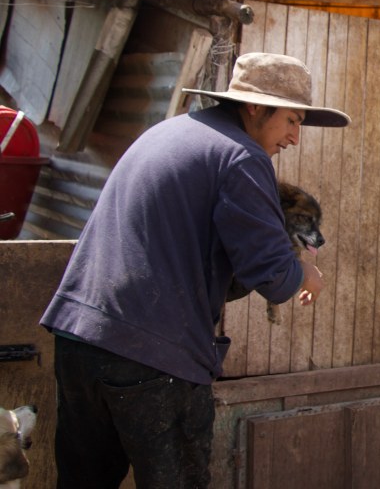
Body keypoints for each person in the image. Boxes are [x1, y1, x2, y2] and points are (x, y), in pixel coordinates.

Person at [40, 52, 349, 489]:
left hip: (81, 338)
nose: (295, 137)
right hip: (150, 355)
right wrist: (304, 273)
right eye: (292, 121)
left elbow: (210, 258)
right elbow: (273, 277)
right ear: (256, 108)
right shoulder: (242, 156)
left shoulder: (170, 132)